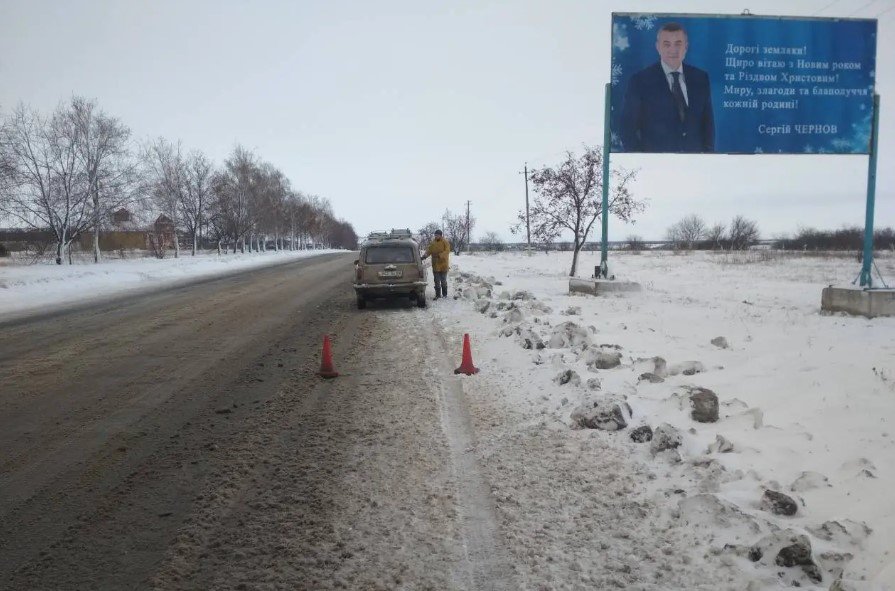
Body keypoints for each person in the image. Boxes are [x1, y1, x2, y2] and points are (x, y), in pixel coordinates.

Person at [620, 22, 714, 153]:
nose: (673, 50)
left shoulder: (700, 78)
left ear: (686, 47)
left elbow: (707, 125)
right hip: (655, 168)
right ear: (657, 47)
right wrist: (642, 161)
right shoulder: (640, 81)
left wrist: (707, 156)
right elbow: (627, 129)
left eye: (678, 44)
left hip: (695, 167)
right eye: (667, 44)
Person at [421, 229, 450, 299]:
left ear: (440, 235)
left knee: (443, 281)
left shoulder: (445, 242)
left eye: (437, 235)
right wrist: (425, 256)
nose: (436, 236)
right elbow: (429, 250)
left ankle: (445, 294)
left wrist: (440, 255)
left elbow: (447, 251)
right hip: (435, 264)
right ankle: (438, 295)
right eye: (435, 235)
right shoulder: (433, 242)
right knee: (436, 281)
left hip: (443, 265)